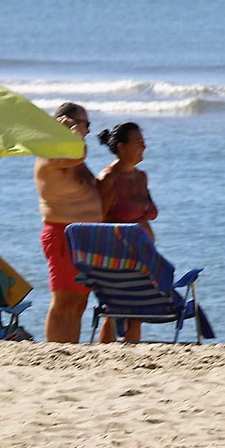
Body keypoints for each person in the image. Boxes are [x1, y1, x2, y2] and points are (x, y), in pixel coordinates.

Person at [34, 102, 103, 343]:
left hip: (83, 236)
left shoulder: (70, 158)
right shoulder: (52, 153)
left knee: (79, 301)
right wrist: (69, 130)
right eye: (86, 125)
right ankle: (54, 350)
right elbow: (78, 152)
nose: (88, 131)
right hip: (63, 233)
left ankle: (71, 348)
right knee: (63, 300)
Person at [95, 121, 158, 343]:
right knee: (114, 312)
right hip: (117, 259)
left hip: (143, 258)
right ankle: (104, 356)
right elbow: (98, 223)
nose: (144, 147)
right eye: (139, 142)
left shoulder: (141, 177)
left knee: (136, 315)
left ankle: (130, 358)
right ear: (122, 147)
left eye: (144, 142)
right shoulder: (108, 179)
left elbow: (146, 212)